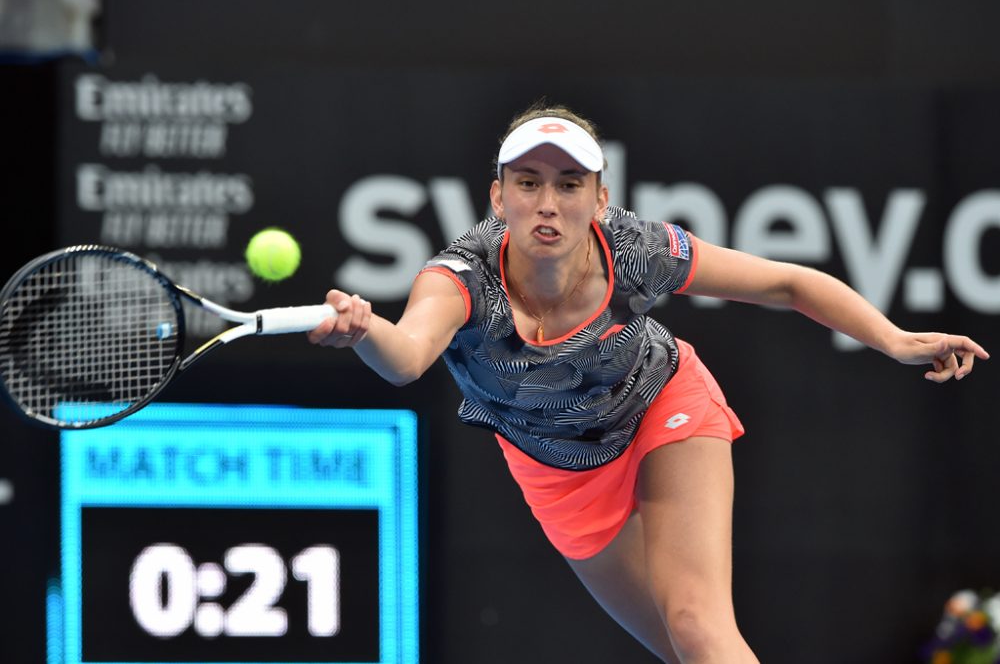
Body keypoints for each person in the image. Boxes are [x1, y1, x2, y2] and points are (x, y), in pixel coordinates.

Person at [307, 103, 989, 664]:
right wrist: (366, 330)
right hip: (561, 473)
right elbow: (407, 355)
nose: (548, 202)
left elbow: (788, 282)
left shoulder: (636, 248)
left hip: (665, 404)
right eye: (529, 181)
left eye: (570, 184)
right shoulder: (461, 278)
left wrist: (895, 339)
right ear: (498, 195)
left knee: (699, 625)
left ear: (601, 198)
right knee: (681, 651)